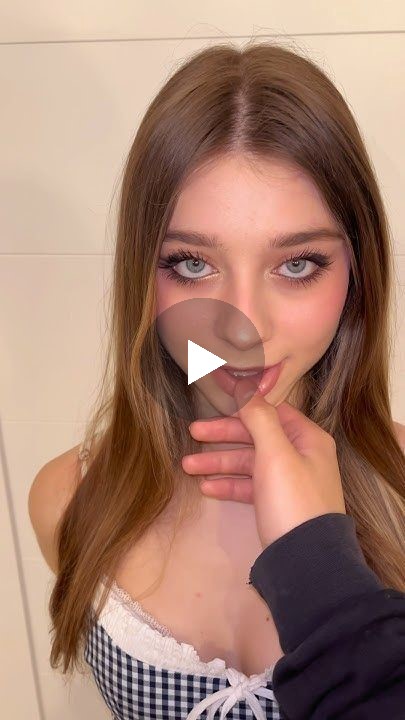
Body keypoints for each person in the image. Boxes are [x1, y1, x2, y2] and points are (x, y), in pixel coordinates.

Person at [28, 40, 405, 719]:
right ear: (142, 274)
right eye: (192, 264)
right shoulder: (71, 499)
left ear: (358, 273)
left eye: (297, 264)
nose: (243, 327)